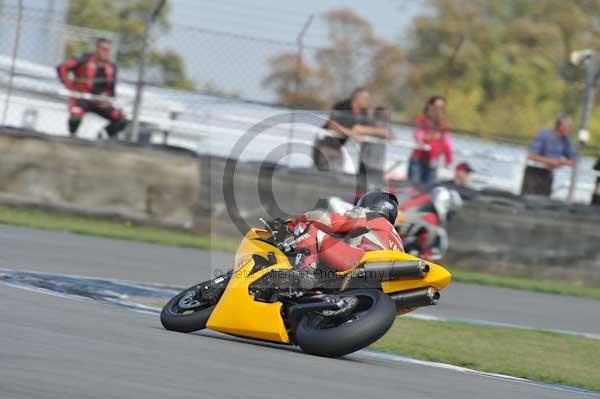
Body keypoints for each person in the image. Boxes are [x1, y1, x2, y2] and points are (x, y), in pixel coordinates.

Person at [287, 189, 403, 272]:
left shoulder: (369, 216)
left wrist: (293, 223)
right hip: (384, 277)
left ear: (369, 205)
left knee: (304, 227)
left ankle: (303, 271)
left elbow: (327, 221)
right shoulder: (398, 240)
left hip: (360, 263)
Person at [57, 38, 127, 138]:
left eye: (108, 50)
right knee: (75, 116)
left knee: (121, 120)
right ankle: (72, 138)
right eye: (103, 49)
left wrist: (108, 100)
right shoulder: (83, 59)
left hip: (100, 101)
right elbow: (62, 68)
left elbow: (111, 89)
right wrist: (71, 88)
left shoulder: (111, 67)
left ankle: (102, 136)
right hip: (82, 98)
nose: (105, 52)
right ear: (97, 49)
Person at [314, 88, 391, 172]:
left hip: (338, 147)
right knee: (325, 172)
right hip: (324, 144)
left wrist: (381, 132)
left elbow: (363, 128)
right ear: (357, 98)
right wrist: (352, 133)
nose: (368, 101)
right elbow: (332, 125)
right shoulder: (342, 106)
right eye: (366, 99)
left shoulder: (364, 113)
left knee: (337, 172)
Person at [521, 114, 576, 196]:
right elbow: (530, 155)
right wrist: (549, 161)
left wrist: (560, 162)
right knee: (528, 199)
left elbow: (574, 161)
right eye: (569, 126)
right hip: (533, 173)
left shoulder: (565, 140)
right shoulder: (544, 134)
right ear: (560, 126)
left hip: (548, 175)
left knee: (544, 202)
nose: (571, 129)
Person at [408, 96, 453, 185]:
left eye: (441, 108)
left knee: (429, 191)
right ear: (430, 107)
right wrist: (435, 137)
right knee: (413, 188)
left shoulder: (444, 125)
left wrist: (434, 138)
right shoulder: (421, 120)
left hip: (433, 163)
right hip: (418, 161)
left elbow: (447, 142)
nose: (438, 110)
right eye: (436, 107)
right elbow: (419, 138)